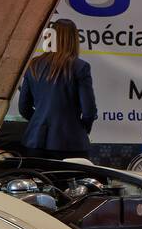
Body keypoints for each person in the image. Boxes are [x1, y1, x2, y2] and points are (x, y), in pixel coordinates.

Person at [17, 18, 96, 158]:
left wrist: (39, 121)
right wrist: (81, 129)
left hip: (34, 142)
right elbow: (89, 111)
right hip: (71, 144)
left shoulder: (33, 65)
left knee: (37, 180)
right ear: (74, 40)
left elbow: (23, 107)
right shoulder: (80, 67)